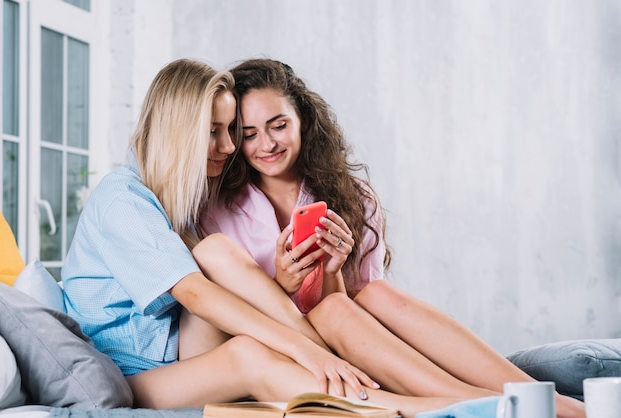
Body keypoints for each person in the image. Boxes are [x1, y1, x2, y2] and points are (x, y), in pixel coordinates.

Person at [61, 58, 465, 417]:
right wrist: (304, 349)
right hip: (140, 374)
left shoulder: (179, 200)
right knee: (246, 351)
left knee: (235, 278)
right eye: (215, 131)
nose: (230, 146)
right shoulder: (122, 198)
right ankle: (419, 408)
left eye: (230, 130)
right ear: (177, 132)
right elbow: (196, 295)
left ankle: (448, 397)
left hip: (181, 354)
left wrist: (306, 314)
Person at [201, 58, 585, 418]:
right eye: (248, 134)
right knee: (335, 308)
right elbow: (223, 315)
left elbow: (357, 312)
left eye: (278, 125)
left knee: (373, 294)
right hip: (281, 349)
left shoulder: (354, 196)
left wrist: (334, 271)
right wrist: (280, 283)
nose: (266, 144)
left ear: (302, 120)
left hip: (352, 340)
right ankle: (497, 404)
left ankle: (545, 400)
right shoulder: (217, 209)